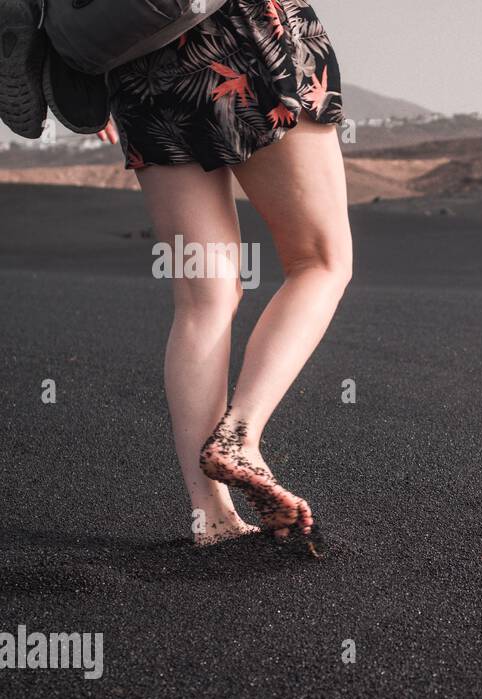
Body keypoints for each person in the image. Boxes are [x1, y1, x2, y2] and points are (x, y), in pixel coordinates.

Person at [100, 1, 350, 548]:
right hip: (244, 36)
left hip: (137, 66)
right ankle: (239, 436)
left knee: (203, 299)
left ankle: (210, 517)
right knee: (320, 262)